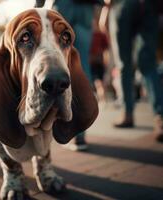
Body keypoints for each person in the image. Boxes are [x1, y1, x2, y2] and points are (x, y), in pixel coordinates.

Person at [35, 0, 104, 150]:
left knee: (60, 62)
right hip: (86, 9)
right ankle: (79, 135)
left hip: (64, 6)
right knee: (82, 65)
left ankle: (65, 132)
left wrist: (38, 7)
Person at [109, 0, 163, 142]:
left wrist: (107, 7)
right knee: (147, 63)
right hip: (148, 6)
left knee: (125, 64)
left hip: (126, 5)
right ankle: (159, 117)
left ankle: (128, 113)